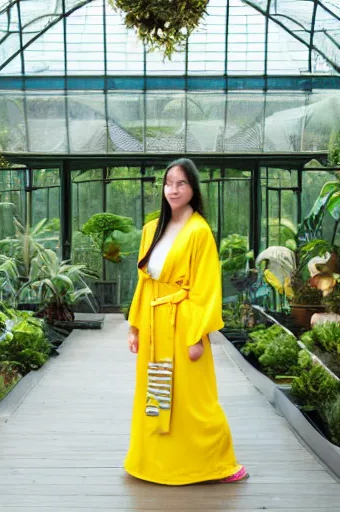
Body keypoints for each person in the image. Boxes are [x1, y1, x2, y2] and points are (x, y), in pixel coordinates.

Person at [124, 158, 248, 485]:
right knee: (156, 393)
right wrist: (135, 326)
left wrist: (196, 336)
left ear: (193, 188)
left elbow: (206, 287)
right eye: (169, 183)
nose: (174, 189)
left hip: (183, 325)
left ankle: (219, 463)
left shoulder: (199, 231)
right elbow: (145, 281)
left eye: (181, 183)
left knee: (194, 399)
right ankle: (154, 463)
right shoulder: (152, 228)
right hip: (154, 325)